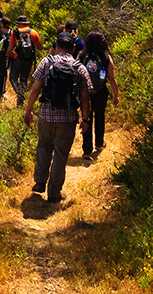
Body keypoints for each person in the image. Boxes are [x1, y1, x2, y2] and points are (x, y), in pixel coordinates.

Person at [23, 32, 92, 203]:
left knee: (44, 146)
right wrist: (86, 119)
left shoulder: (47, 62)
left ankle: (40, 181)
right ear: (73, 48)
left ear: (57, 46)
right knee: (61, 154)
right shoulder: (79, 67)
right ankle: (54, 193)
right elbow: (85, 97)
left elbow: (35, 89)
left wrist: (29, 110)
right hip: (68, 117)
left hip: (46, 114)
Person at [79, 30, 119, 158]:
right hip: (101, 91)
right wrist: (116, 94)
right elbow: (112, 77)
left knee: (86, 118)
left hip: (85, 92)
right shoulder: (106, 57)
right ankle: (99, 143)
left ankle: (86, 150)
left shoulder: (82, 55)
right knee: (100, 117)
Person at [8, 15, 43, 106]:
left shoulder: (15, 32)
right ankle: (20, 101)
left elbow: (11, 46)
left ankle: (20, 94)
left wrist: (7, 55)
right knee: (24, 79)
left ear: (19, 23)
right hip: (29, 59)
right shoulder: (34, 32)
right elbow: (40, 47)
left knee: (13, 77)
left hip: (17, 58)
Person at [0, 16, 12, 97]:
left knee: (0, 72)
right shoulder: (12, 32)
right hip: (9, 53)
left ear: (2, 24)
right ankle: (3, 89)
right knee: (5, 70)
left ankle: (0, 90)